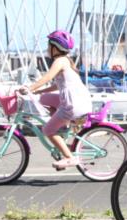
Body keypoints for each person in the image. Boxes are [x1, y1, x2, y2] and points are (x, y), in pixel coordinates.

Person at [18, 30, 93, 170]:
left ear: (55, 47)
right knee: (44, 99)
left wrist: (31, 87)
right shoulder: (66, 61)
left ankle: (70, 158)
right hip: (76, 101)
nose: (47, 50)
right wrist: (38, 91)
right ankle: (63, 128)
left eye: (48, 47)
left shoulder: (60, 61)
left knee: (47, 130)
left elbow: (47, 77)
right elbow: (55, 84)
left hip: (72, 105)